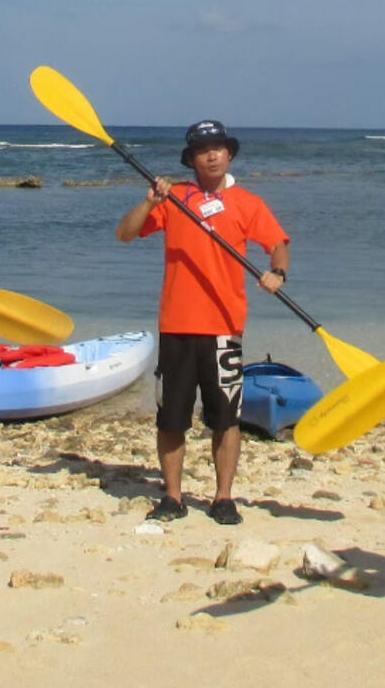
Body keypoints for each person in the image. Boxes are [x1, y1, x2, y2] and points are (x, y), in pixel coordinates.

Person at [114, 119, 290, 526]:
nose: (211, 154)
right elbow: (124, 234)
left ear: (229, 154)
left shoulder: (249, 203)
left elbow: (278, 245)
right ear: (191, 159)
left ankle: (223, 497)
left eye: (218, 147)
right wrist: (149, 203)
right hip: (176, 326)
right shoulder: (173, 198)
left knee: (226, 419)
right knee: (171, 419)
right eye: (202, 149)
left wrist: (276, 273)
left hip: (224, 326)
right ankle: (172, 497)